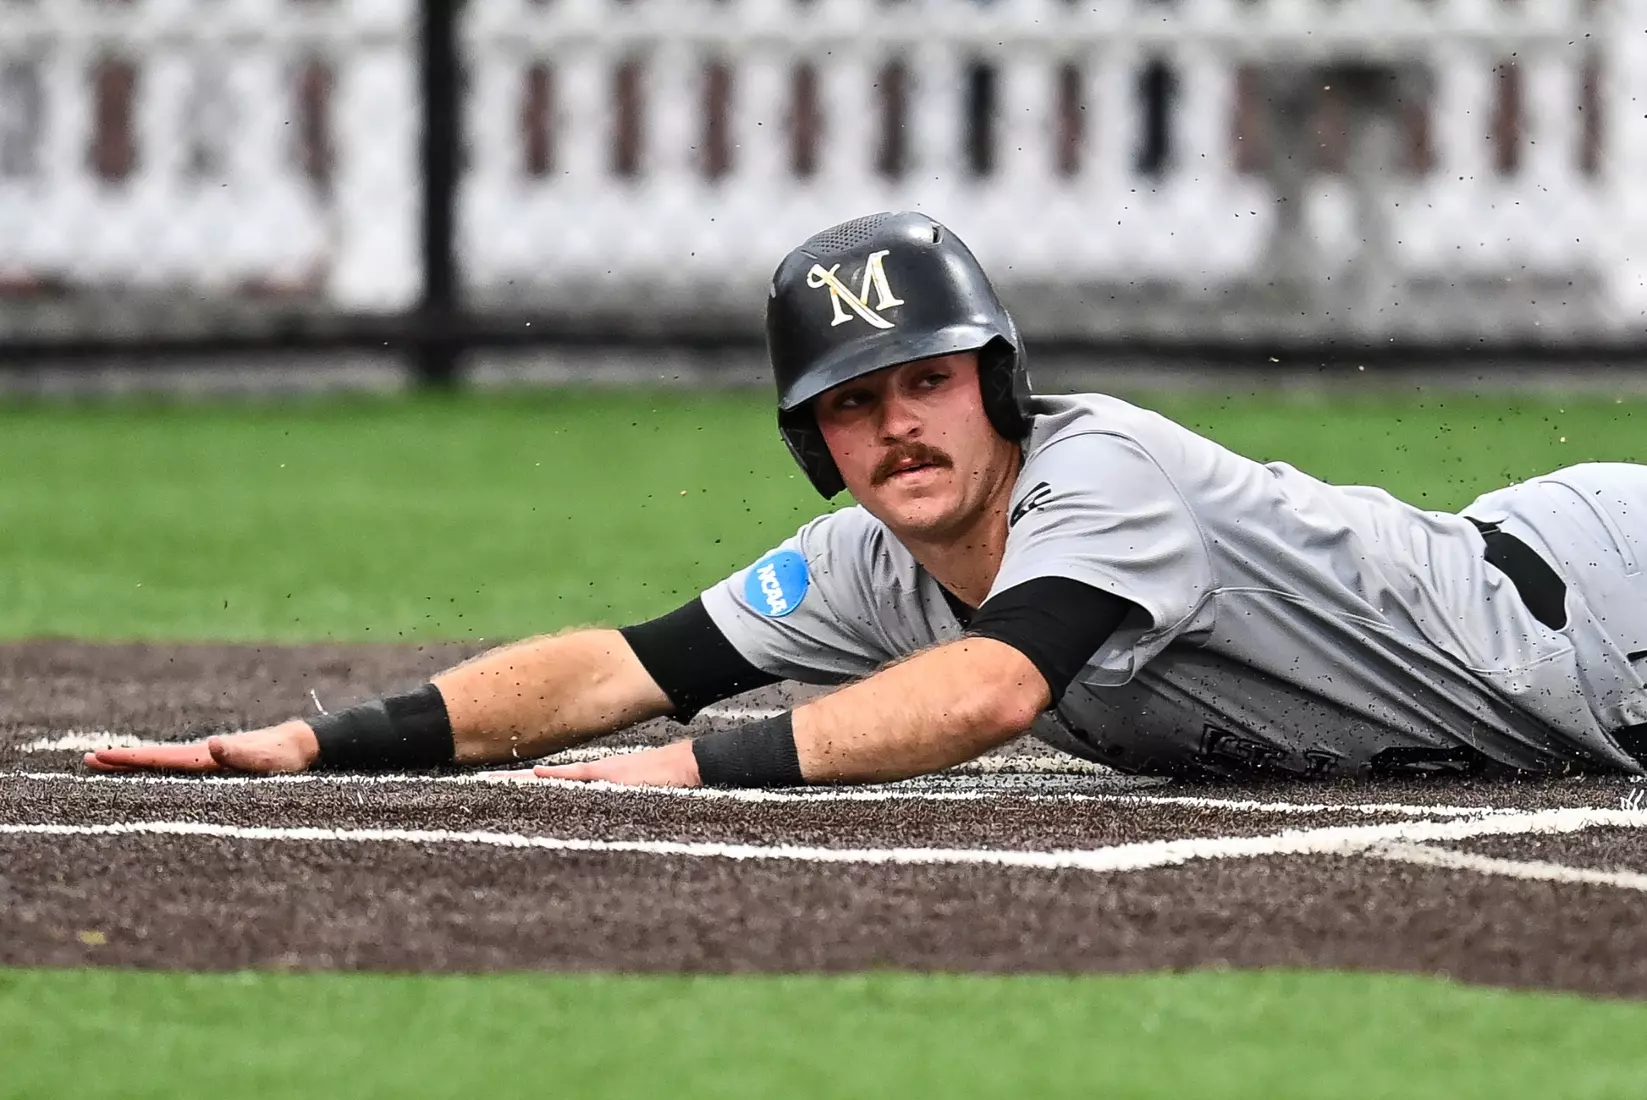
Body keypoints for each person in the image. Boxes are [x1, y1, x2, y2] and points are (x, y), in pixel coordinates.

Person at [86, 211, 1647, 786]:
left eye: (925, 379)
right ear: (814, 443)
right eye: (849, 404)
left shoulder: (1101, 477)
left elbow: (984, 691)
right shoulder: (865, 564)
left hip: (1601, 608)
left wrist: (702, 770)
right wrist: (319, 741)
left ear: (996, 383)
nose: (896, 425)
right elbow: (618, 668)